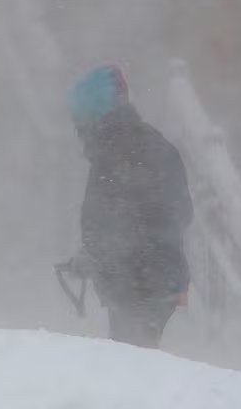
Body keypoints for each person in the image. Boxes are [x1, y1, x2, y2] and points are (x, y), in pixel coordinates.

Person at [58, 65, 193, 348]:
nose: (78, 133)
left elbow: (117, 226)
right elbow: (180, 212)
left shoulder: (115, 154)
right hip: (158, 279)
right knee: (139, 358)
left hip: (137, 285)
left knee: (133, 364)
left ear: (92, 117)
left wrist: (95, 256)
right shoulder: (150, 144)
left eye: (79, 123)